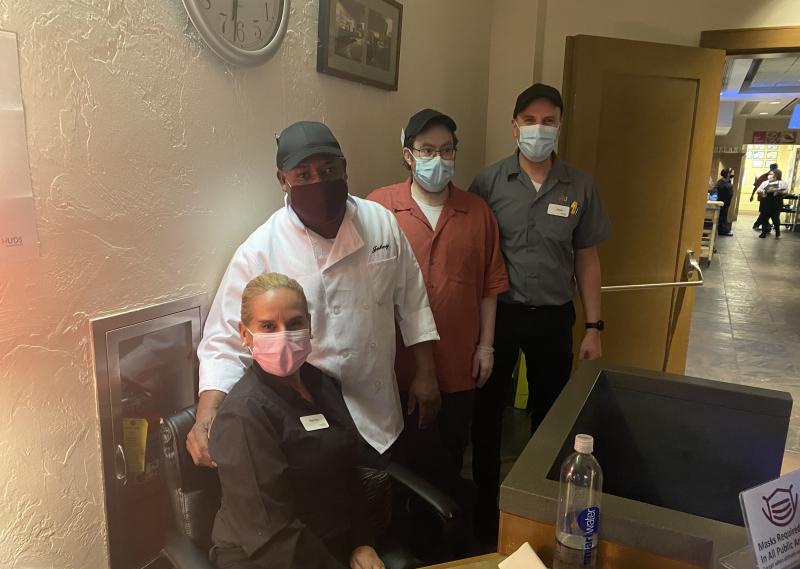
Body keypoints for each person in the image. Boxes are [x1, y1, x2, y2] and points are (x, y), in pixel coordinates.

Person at [188, 121, 441, 468]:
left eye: (327, 170)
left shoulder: (380, 223)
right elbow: (225, 341)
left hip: (378, 400)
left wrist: (426, 372)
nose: (318, 182)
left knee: (385, 498)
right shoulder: (261, 249)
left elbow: (412, 300)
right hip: (309, 412)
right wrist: (207, 414)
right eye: (303, 175)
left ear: (344, 168)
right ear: (282, 180)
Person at [468, 83, 612, 544]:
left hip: (553, 318)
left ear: (559, 127)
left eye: (548, 121)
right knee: (488, 414)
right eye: (529, 120)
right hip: (500, 317)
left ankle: (540, 506)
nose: (538, 129)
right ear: (514, 126)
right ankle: (484, 509)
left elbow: (587, 258)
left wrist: (593, 326)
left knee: (551, 418)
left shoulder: (580, 186)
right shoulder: (488, 184)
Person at [210, 273, 388, 569]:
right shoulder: (244, 415)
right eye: (268, 327)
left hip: (331, 543)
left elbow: (349, 469)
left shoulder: (319, 383)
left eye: (294, 324)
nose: (284, 336)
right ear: (244, 334)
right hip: (268, 563)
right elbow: (270, 536)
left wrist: (363, 542)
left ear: (309, 325)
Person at [367, 109, 509, 483]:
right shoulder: (380, 208)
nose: (438, 159)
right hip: (394, 367)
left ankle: (444, 537)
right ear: (407, 154)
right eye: (427, 150)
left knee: (446, 464)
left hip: (457, 365)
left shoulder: (477, 212)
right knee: (397, 469)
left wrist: (486, 347)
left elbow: (490, 286)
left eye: (447, 150)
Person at [756, 168, 788, 239]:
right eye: (769, 174)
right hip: (766, 203)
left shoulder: (782, 183)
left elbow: (786, 192)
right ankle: (763, 233)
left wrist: (778, 191)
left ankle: (777, 233)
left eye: (771, 174)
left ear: (776, 175)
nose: (769, 175)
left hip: (776, 203)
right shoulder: (765, 183)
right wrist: (762, 191)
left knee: (775, 218)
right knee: (764, 218)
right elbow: (758, 190)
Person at [751, 162, 778, 231]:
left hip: (772, 199)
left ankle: (764, 226)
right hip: (764, 199)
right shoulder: (764, 176)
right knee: (764, 213)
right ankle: (762, 226)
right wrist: (752, 195)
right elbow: (756, 186)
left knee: (765, 213)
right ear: (771, 168)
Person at [711, 168, 734, 236]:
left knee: (723, 216)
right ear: (727, 174)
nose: (732, 174)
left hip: (726, 203)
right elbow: (714, 191)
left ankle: (723, 230)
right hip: (721, 203)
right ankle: (723, 231)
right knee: (722, 217)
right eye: (731, 173)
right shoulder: (721, 183)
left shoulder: (727, 182)